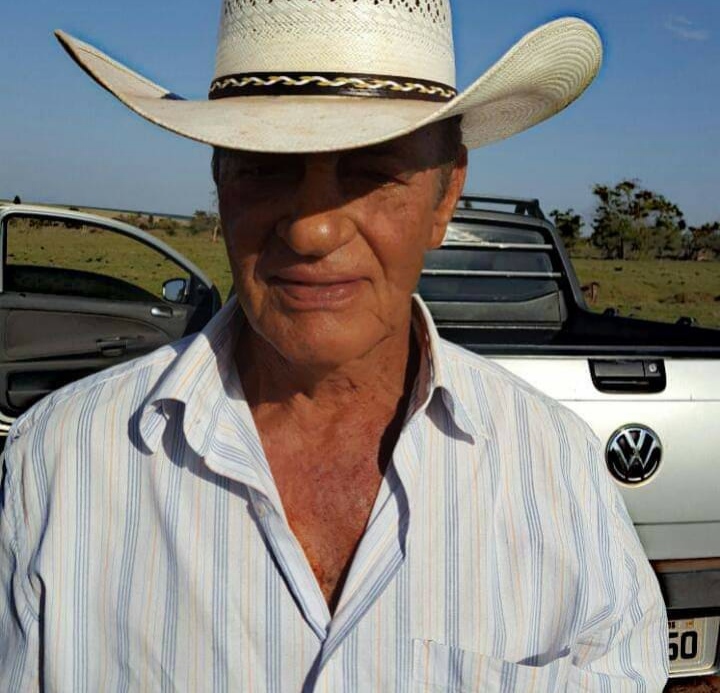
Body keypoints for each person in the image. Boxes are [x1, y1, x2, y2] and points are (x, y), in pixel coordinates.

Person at [0, 2, 668, 690]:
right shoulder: (62, 466)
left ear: (446, 195)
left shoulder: (553, 467)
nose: (312, 230)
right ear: (220, 180)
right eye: (266, 166)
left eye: (372, 171)